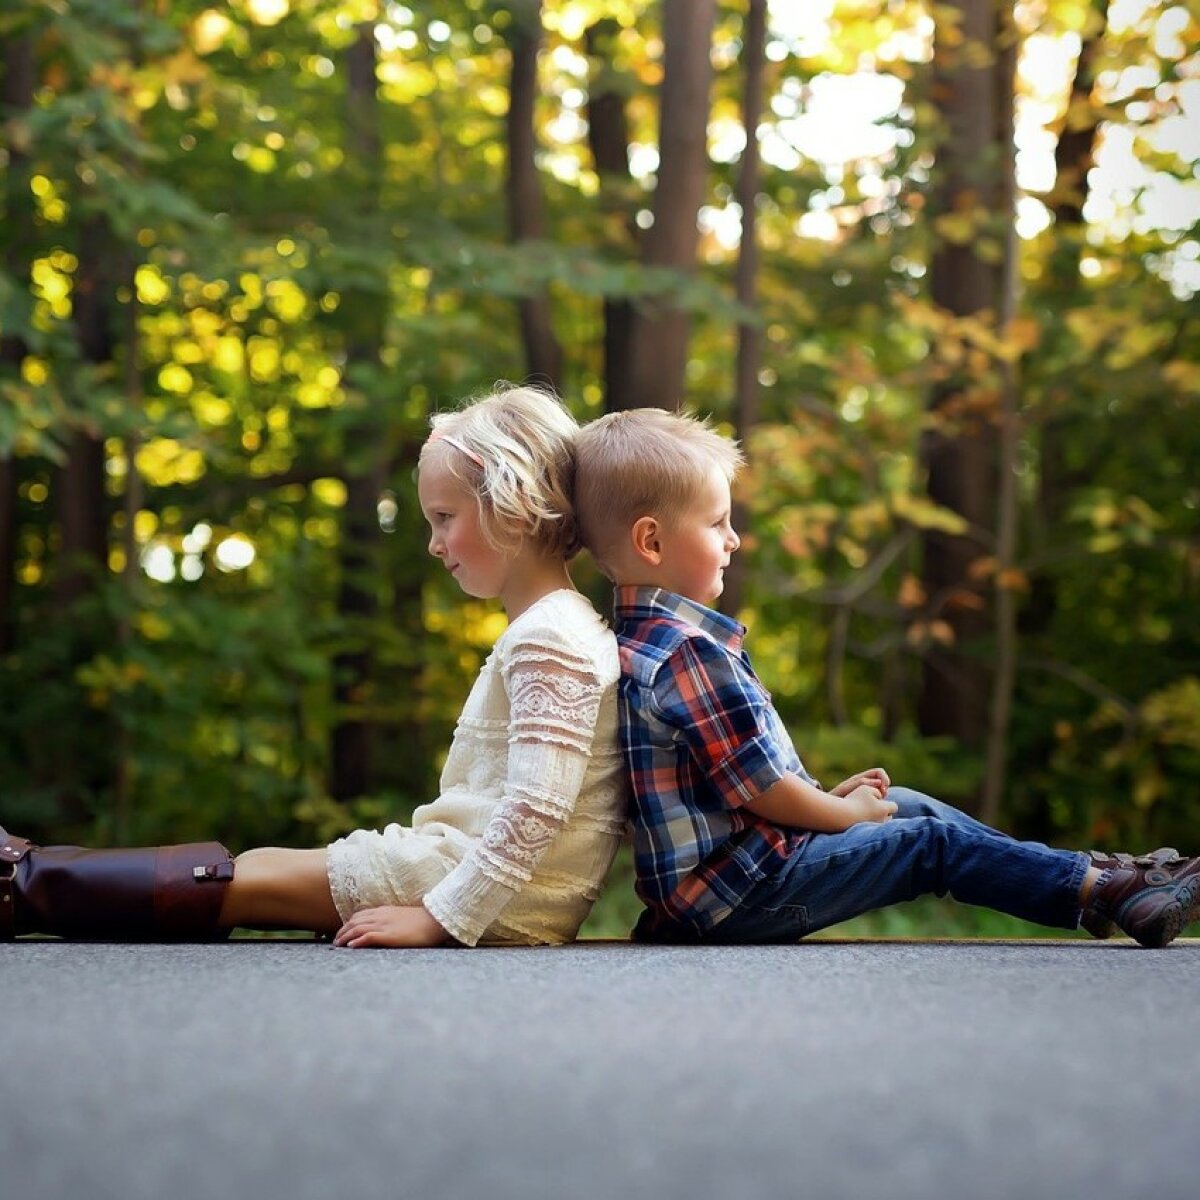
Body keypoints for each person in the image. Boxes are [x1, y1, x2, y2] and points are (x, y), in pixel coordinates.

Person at [1, 385, 626, 948]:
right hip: (467, 869)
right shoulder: (553, 626)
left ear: (510, 505)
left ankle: (17, 887)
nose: (434, 544)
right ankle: (25, 874)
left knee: (236, 883)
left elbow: (536, 811)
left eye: (444, 517)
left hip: (486, 890)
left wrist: (441, 918)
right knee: (257, 865)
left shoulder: (552, 638)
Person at [572, 407, 1199, 948]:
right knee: (927, 842)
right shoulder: (686, 653)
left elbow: (737, 786)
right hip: (739, 895)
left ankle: (1098, 889)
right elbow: (763, 792)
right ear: (651, 541)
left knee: (909, 806)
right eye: (716, 524)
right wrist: (842, 818)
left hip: (735, 874)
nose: (734, 539)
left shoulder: (642, 643)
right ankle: (1107, 886)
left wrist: (832, 804)